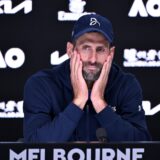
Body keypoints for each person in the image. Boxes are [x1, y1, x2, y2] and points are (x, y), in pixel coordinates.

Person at [23, 14, 151, 142]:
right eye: (86, 48)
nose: (93, 59)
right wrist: (78, 101)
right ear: (70, 50)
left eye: (100, 49)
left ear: (110, 53)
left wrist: (100, 103)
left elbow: (142, 146)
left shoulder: (125, 84)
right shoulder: (42, 84)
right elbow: (34, 147)